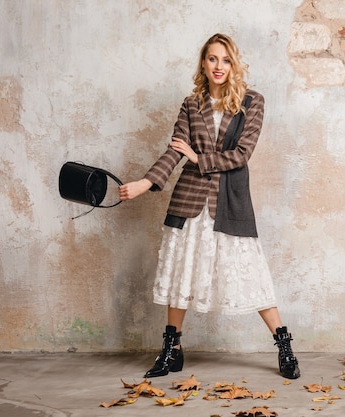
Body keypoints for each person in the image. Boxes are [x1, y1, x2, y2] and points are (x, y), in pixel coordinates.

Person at [118, 33, 300, 380]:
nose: (219, 66)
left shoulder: (252, 102)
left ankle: (284, 344)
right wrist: (145, 183)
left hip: (229, 201)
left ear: (234, 64)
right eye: (213, 59)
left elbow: (242, 154)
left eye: (226, 60)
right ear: (203, 63)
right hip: (189, 201)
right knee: (180, 274)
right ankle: (172, 350)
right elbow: (175, 151)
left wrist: (198, 158)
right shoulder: (191, 104)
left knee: (250, 271)